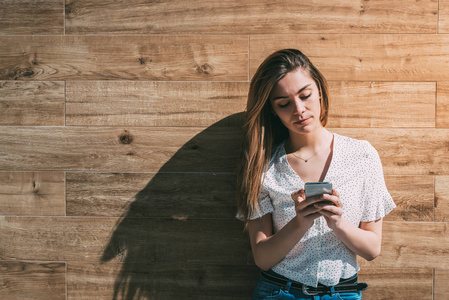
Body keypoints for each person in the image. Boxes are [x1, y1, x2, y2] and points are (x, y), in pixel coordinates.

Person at [236, 49, 396, 300]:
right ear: (272, 110)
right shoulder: (263, 167)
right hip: (280, 293)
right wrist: (300, 222)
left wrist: (338, 222)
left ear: (319, 91)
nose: (299, 109)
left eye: (305, 95)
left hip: (342, 294)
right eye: (284, 103)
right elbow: (263, 258)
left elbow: (372, 249)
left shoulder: (362, 155)